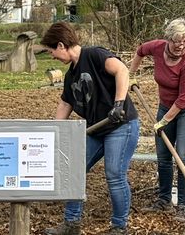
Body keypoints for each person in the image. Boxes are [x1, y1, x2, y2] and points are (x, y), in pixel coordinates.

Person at [41, 22, 139, 235]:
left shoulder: (95, 55)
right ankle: (71, 224)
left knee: (114, 174)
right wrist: (53, 131)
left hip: (120, 125)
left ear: (61, 45)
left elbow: (122, 70)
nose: (52, 57)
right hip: (97, 129)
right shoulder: (70, 75)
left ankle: (119, 227)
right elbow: (66, 103)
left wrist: (119, 104)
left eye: (51, 52)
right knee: (74, 169)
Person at [130, 18, 185, 222]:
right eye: (177, 41)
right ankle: (163, 200)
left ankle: (184, 205)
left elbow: (183, 99)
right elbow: (140, 51)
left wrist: (163, 121)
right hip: (165, 106)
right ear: (168, 38)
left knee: (182, 157)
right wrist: (131, 74)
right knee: (163, 156)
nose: (181, 46)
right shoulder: (157, 47)